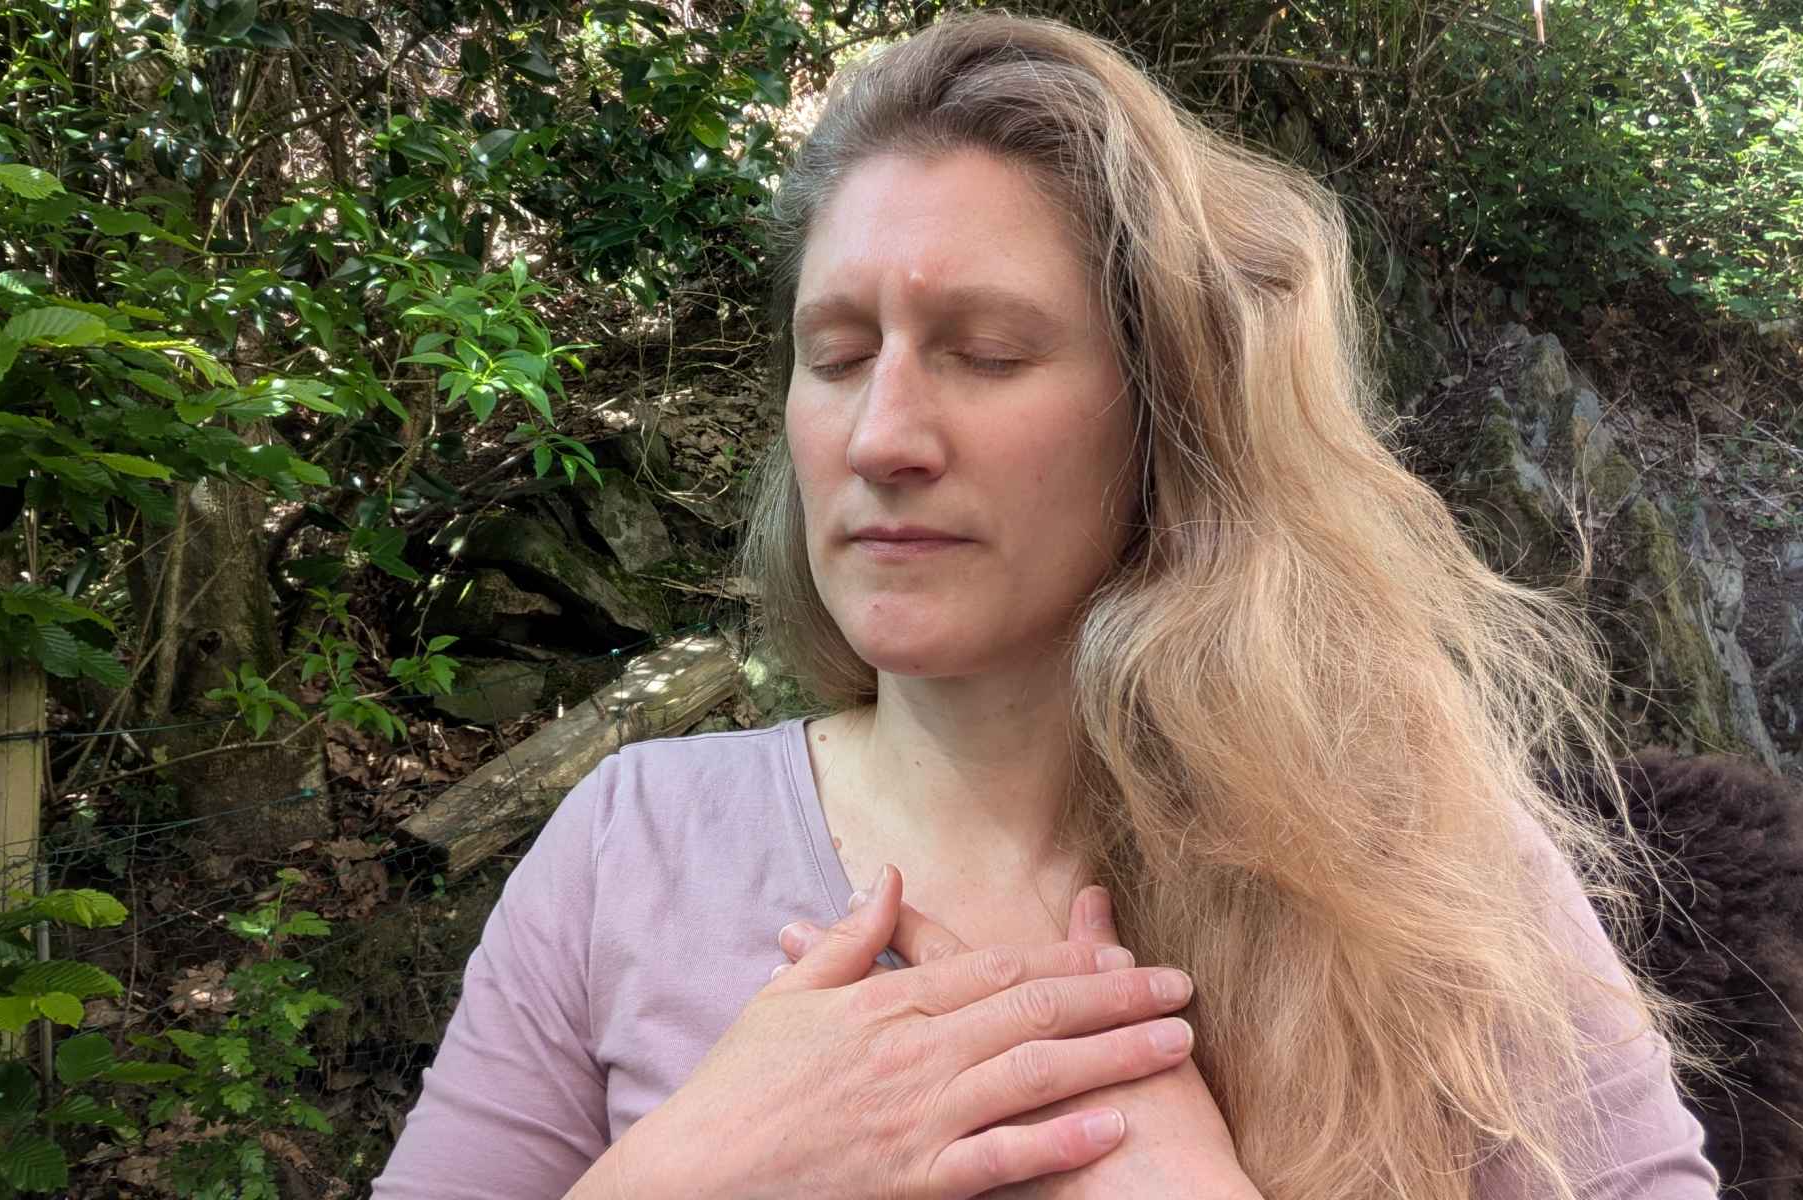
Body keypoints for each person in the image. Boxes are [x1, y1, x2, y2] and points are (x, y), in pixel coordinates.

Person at [373, 11, 1725, 1199]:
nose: (882, 434)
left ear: (1167, 421)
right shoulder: (627, 849)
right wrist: (689, 1178)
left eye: (989, 353)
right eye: (836, 356)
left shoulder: (1419, 864)